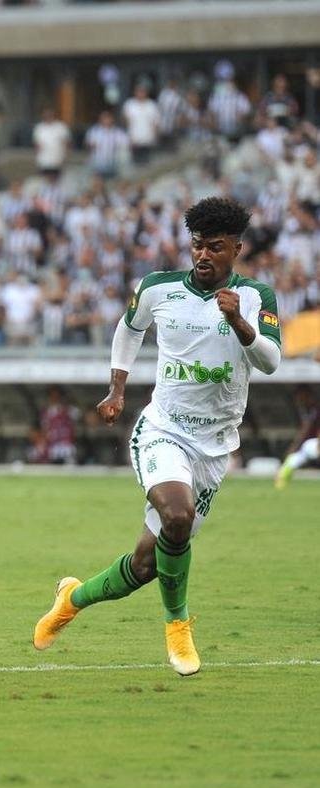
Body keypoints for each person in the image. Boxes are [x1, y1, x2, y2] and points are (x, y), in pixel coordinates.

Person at [34, 197, 281, 676]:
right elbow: (129, 330)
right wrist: (117, 388)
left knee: (146, 566)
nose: (203, 255)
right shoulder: (158, 288)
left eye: (215, 247)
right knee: (177, 514)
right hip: (163, 429)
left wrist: (238, 322)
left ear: (236, 249)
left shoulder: (255, 297)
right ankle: (178, 627)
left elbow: (270, 361)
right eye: (197, 246)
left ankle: (72, 598)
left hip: (214, 447)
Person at [275, 387, 320, 489]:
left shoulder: (316, 409)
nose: (299, 400)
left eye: (301, 397)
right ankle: (282, 477)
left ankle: (282, 475)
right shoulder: (308, 411)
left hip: (314, 442)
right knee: (300, 454)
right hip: (311, 443)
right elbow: (304, 431)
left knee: (302, 452)